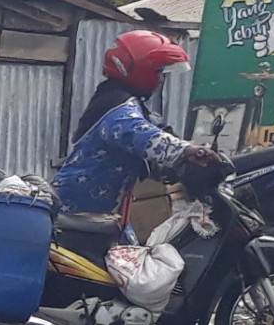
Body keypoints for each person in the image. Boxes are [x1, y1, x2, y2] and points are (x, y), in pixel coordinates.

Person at [54, 30, 218, 226]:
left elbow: (159, 130)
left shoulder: (131, 103)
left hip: (107, 215)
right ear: (139, 69)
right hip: (74, 214)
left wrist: (189, 155)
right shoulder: (116, 105)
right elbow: (138, 133)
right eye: (158, 72)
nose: (161, 79)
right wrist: (186, 150)